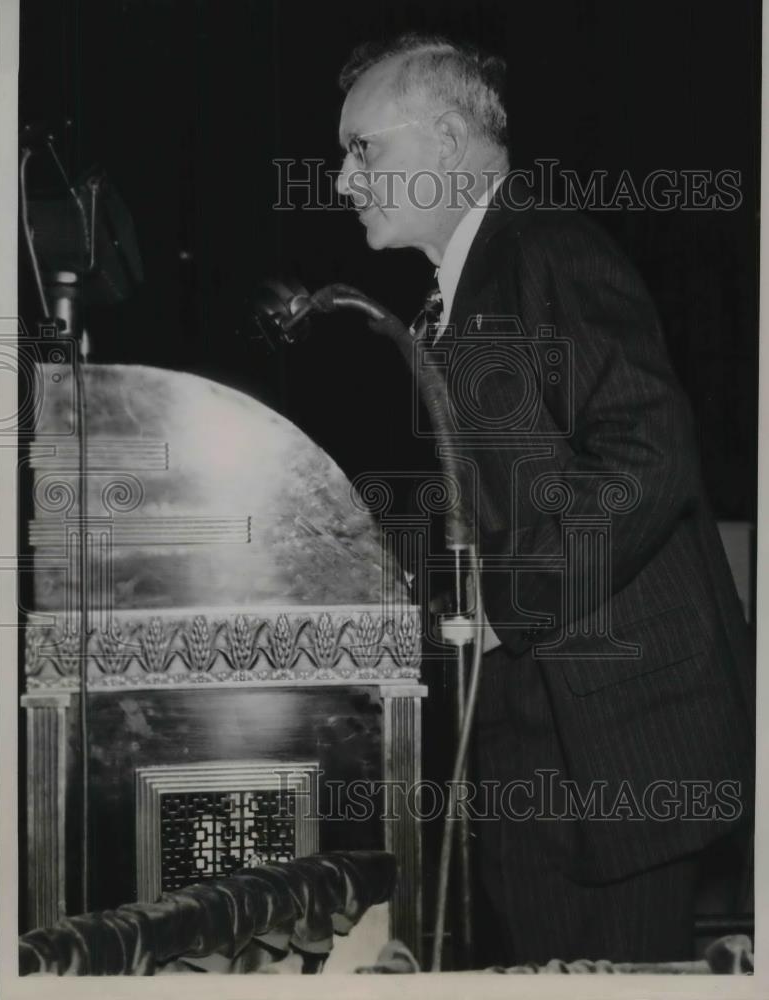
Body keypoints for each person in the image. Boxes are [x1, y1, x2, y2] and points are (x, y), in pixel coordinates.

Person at [335, 33, 754, 965]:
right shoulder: (458, 291)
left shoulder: (548, 248)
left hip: (625, 743)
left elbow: (649, 456)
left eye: (364, 150)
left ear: (445, 142)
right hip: (532, 740)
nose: (341, 179)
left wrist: (505, 604)